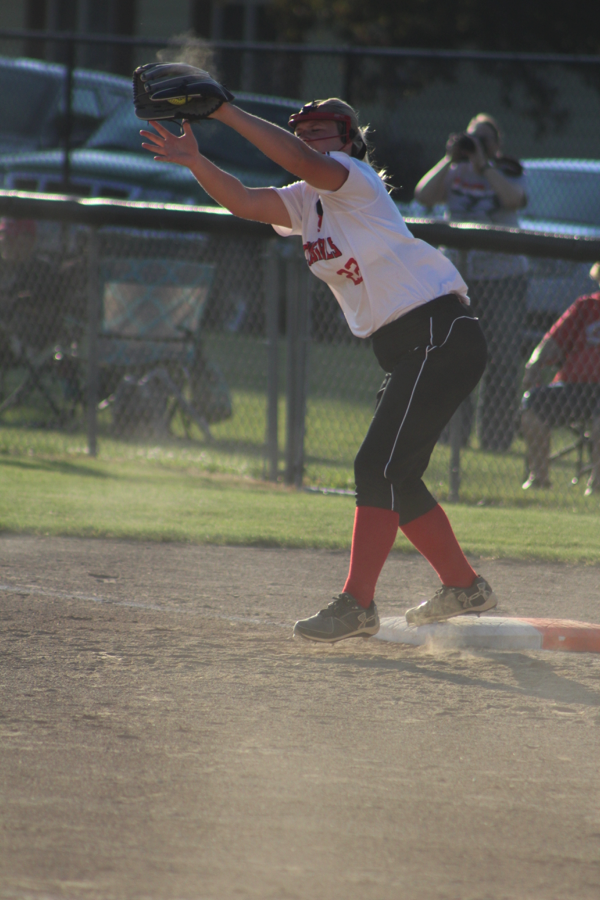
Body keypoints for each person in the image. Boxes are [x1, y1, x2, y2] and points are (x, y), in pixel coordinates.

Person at [140, 92, 496, 636]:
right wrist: (195, 160)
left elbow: (302, 162)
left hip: (438, 333)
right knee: (395, 476)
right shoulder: (306, 202)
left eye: (322, 129)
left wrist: (225, 112)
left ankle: (358, 604)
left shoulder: (354, 179)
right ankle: (464, 586)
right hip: (412, 347)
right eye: (302, 128)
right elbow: (242, 200)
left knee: (375, 467)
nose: (309, 137)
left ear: (350, 140)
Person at [414, 114, 528, 452]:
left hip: (503, 278)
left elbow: (513, 200)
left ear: (497, 145)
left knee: (503, 359)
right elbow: (423, 195)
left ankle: (495, 441)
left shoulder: (509, 171)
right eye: (471, 138)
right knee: (454, 356)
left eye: (484, 139)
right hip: (458, 281)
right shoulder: (452, 171)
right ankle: (453, 437)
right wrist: (451, 159)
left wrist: (484, 164)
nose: (476, 144)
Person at [521, 262, 600, 497]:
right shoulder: (587, 306)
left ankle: (597, 486)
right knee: (532, 405)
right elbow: (552, 341)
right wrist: (534, 364)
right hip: (575, 388)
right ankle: (539, 479)